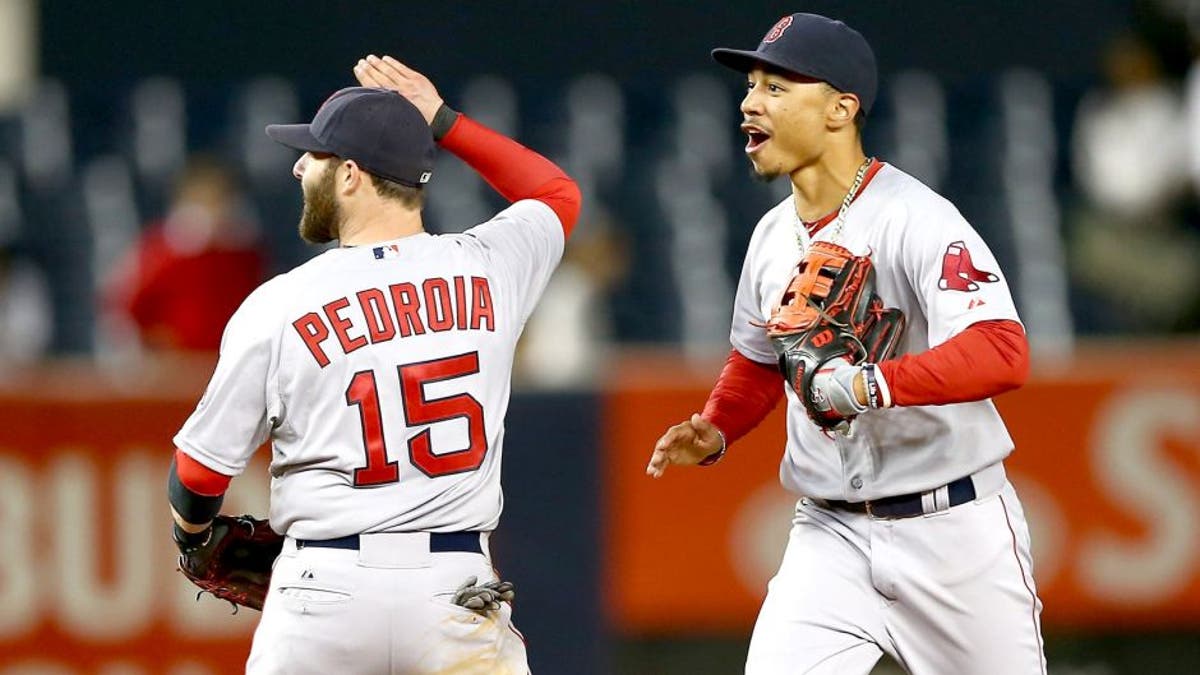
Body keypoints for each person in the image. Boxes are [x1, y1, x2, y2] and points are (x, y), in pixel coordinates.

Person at [646, 13, 1045, 674]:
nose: (749, 101)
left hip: (954, 531)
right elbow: (755, 360)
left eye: (777, 87)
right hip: (828, 534)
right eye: (751, 85)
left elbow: (1003, 349)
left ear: (841, 108)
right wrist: (718, 426)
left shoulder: (916, 217)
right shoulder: (771, 237)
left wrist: (869, 384)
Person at [167, 55, 580, 674]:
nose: (299, 166)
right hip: (456, 592)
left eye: (316, 156)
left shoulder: (280, 303)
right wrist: (444, 122)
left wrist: (193, 541)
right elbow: (556, 192)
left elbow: (198, 474)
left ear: (352, 175)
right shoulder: (491, 266)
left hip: (322, 592)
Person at [104, 156, 265, 352]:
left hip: (226, 359)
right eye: (206, 201)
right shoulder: (161, 251)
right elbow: (130, 307)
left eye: (219, 200)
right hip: (179, 364)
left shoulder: (244, 254)